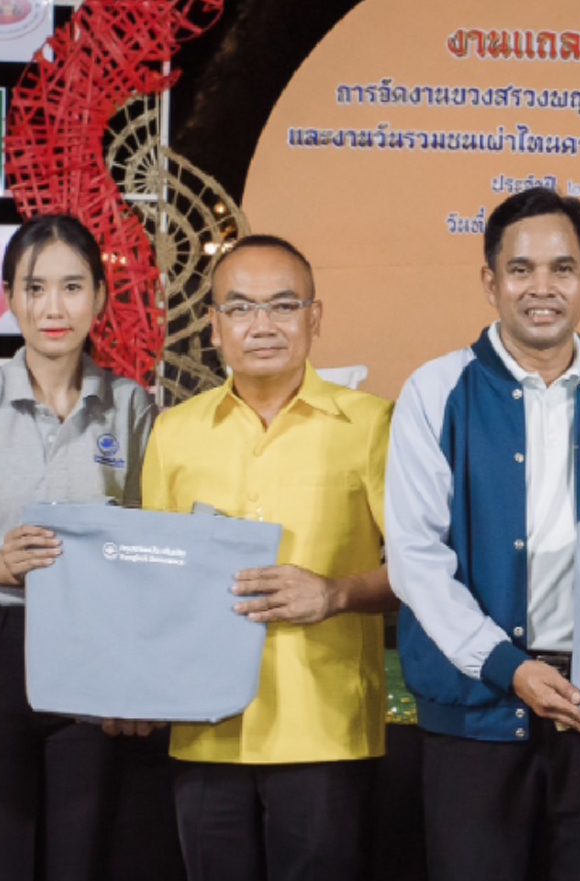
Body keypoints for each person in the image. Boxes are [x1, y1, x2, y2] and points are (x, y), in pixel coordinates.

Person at [386, 186, 580, 881]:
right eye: (520, 269)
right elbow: (416, 560)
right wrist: (507, 667)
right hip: (475, 711)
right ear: (490, 282)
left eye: (562, 268)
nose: (541, 288)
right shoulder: (435, 391)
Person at [139, 234, 396, 880]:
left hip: (325, 727)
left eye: (283, 306)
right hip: (204, 725)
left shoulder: (372, 425)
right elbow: (153, 580)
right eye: (240, 308)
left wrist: (334, 593)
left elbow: (424, 570)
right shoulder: (173, 432)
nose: (262, 325)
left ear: (315, 317)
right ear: (214, 325)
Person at [0, 214, 157, 879]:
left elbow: (146, 544)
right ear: (9, 297)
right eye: (35, 288)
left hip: (93, 648)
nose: (54, 307)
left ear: (100, 297)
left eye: (72, 287)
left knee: (79, 861)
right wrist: (5, 563)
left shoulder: (130, 405)